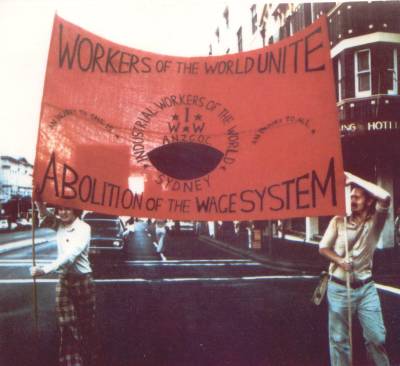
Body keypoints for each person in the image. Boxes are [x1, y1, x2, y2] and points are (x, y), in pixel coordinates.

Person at [319, 172, 391, 366]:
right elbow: (323, 248)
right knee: (340, 342)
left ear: (368, 201)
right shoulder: (338, 221)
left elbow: (385, 197)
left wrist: (354, 179)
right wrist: (340, 260)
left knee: (377, 338)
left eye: (357, 197)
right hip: (339, 288)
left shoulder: (375, 223)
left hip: (366, 288)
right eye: (350, 196)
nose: (352, 200)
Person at [30, 194, 96, 366]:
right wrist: (37, 200)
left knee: (85, 324)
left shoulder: (84, 228)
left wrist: (45, 269)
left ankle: (87, 353)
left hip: (83, 280)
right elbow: (44, 216)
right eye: (60, 208)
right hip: (64, 279)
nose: (63, 212)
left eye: (67, 208)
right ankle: (72, 361)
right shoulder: (58, 224)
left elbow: (70, 256)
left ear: (75, 210)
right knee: (66, 323)